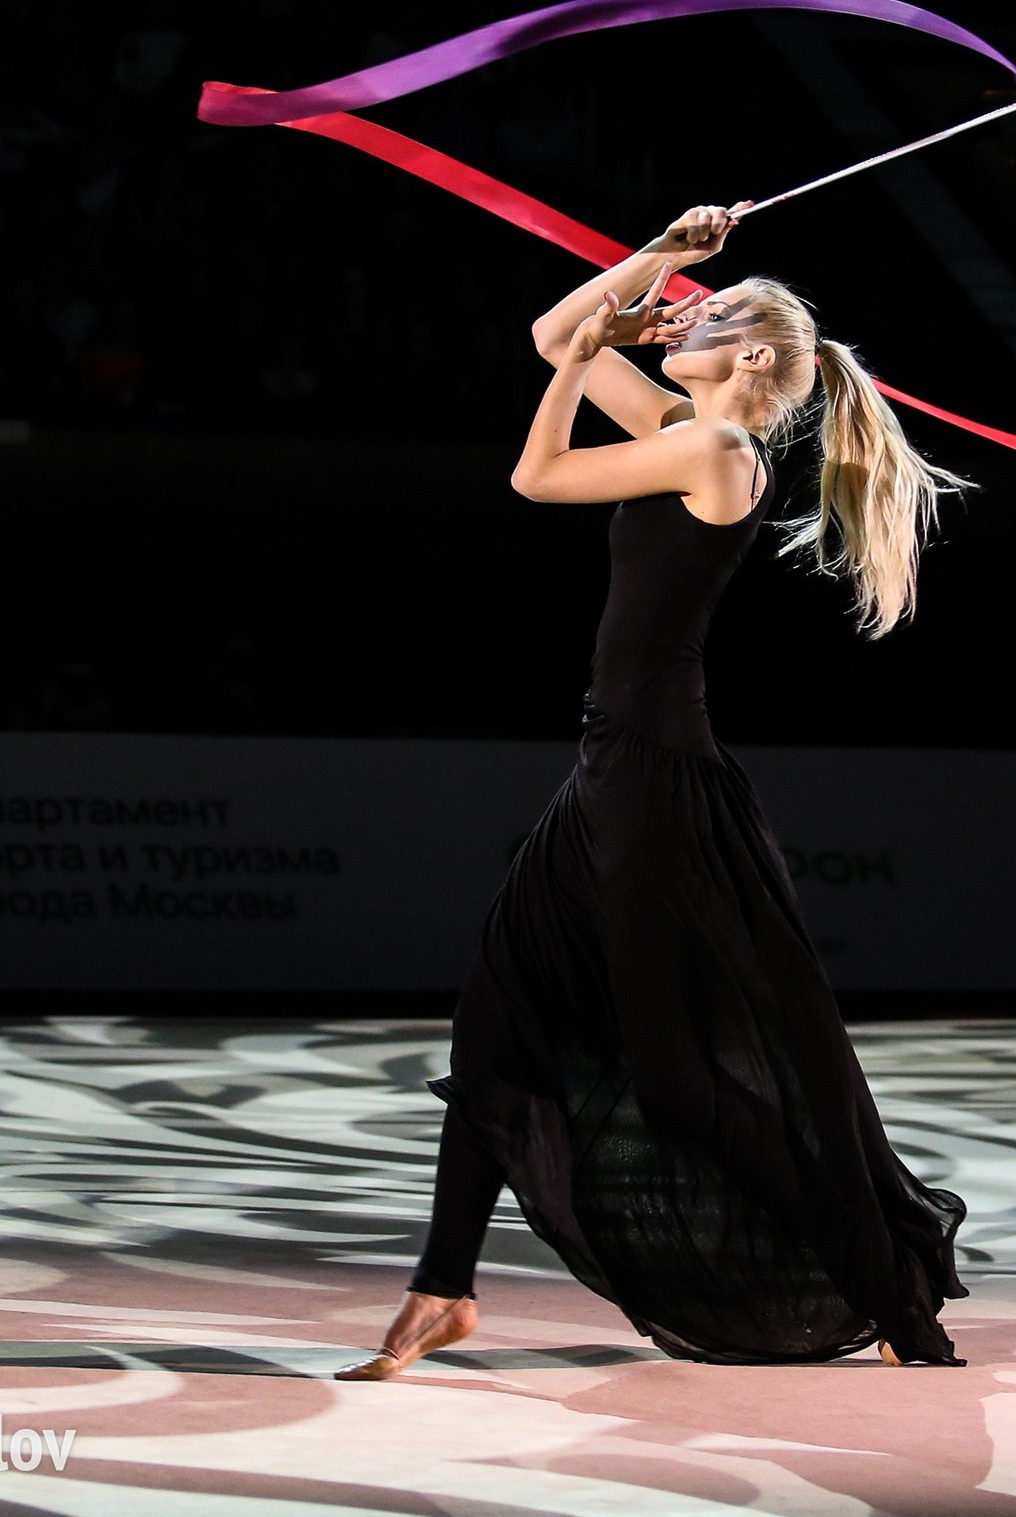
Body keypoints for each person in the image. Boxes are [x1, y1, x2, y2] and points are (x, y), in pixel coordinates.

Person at [337, 205, 973, 1378]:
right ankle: (441, 1289)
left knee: (679, 1088)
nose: (681, 320)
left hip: (654, 786)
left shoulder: (718, 454)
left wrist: (593, 353)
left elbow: (536, 473)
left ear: (748, 359)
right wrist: (664, 259)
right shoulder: (691, 425)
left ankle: (897, 1302)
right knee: (497, 1029)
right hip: (607, 772)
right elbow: (547, 333)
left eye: (708, 313)